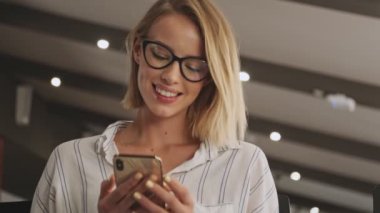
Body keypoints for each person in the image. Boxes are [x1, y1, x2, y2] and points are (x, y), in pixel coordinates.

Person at [31, 0, 279, 212]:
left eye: (193, 66)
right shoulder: (69, 160)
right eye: (160, 54)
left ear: (209, 77)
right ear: (138, 50)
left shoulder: (245, 165)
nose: (171, 76)